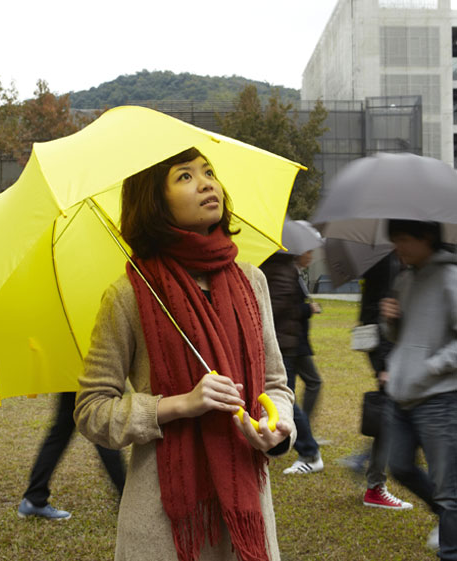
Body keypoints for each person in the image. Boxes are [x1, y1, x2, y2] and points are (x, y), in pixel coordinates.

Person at [74, 147, 296, 561]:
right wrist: (179, 405)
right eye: (184, 176)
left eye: (208, 171)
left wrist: (277, 425)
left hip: (247, 517)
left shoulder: (253, 281)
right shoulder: (128, 295)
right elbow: (91, 410)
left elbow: (275, 385)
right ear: (154, 202)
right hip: (163, 527)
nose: (207, 182)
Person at [381, 219, 457, 560]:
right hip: (401, 397)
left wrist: (430, 368)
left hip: (439, 399)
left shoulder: (450, 278)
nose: (398, 248)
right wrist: (392, 320)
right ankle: (446, 518)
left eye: (403, 239)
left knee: (448, 490)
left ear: (426, 237)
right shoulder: (404, 278)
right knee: (398, 466)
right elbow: (401, 338)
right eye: (394, 240)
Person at [340, 252, 412, 511]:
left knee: (397, 412)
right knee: (392, 412)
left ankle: (364, 462)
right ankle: (374, 485)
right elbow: (377, 312)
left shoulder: (388, 257)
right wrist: (384, 364)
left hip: (390, 346)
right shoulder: (386, 260)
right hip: (386, 347)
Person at [259, 251, 323, 475]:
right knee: (290, 395)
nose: (311, 257)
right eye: (308, 253)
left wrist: (307, 309)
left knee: (285, 399)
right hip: (287, 342)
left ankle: (309, 452)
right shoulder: (283, 270)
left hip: (282, 344)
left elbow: (274, 311)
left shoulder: (279, 271)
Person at [18, 392, 126, 520]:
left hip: (72, 377)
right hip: (87, 377)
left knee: (63, 429)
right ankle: (128, 499)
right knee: (102, 431)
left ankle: (34, 497)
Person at [293, 250, 323, 425]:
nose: (311, 257)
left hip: (296, 340)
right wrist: (308, 309)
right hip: (294, 341)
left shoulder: (296, 273)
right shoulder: (289, 274)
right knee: (314, 382)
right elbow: (286, 308)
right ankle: (304, 427)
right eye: (308, 253)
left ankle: (302, 427)